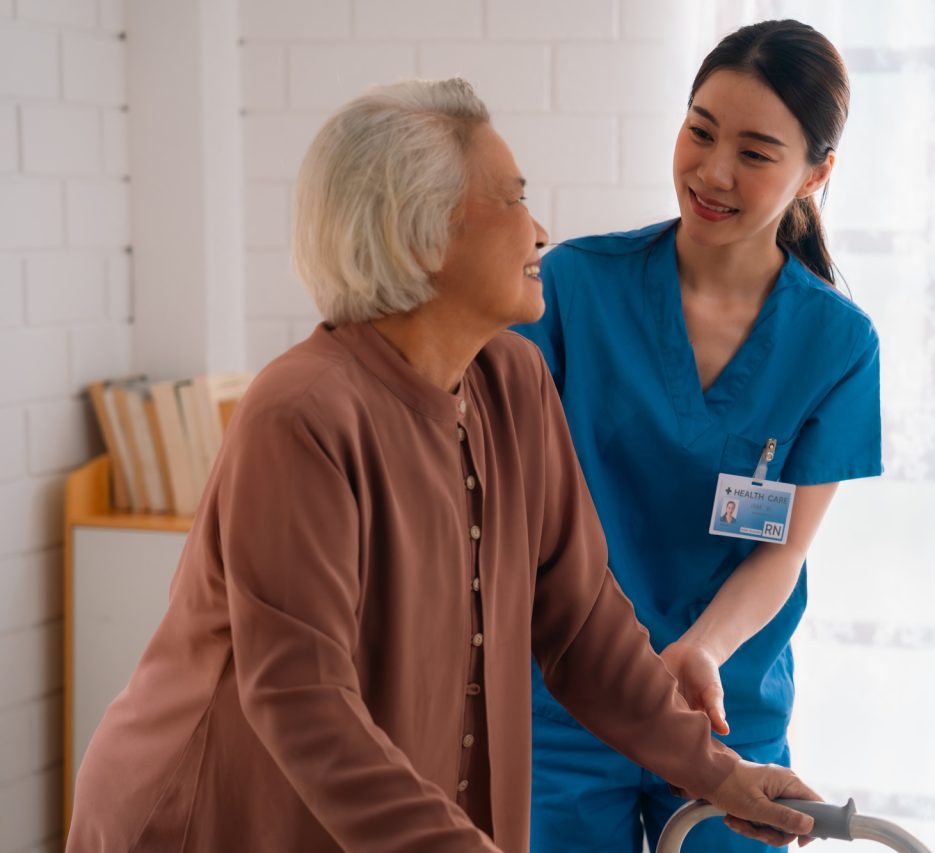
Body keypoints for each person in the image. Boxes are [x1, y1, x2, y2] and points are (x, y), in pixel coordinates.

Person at [65, 78, 822, 853]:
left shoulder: (515, 382)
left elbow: (583, 622)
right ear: (422, 236)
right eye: (513, 200)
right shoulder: (302, 415)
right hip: (201, 817)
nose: (540, 230)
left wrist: (717, 771)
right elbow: (303, 700)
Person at [514, 20, 882, 852]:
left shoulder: (838, 346)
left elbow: (781, 552)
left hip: (726, 703)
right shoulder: (574, 286)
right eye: (700, 131)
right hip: (570, 695)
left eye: (755, 153)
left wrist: (700, 650)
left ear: (816, 173)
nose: (712, 172)